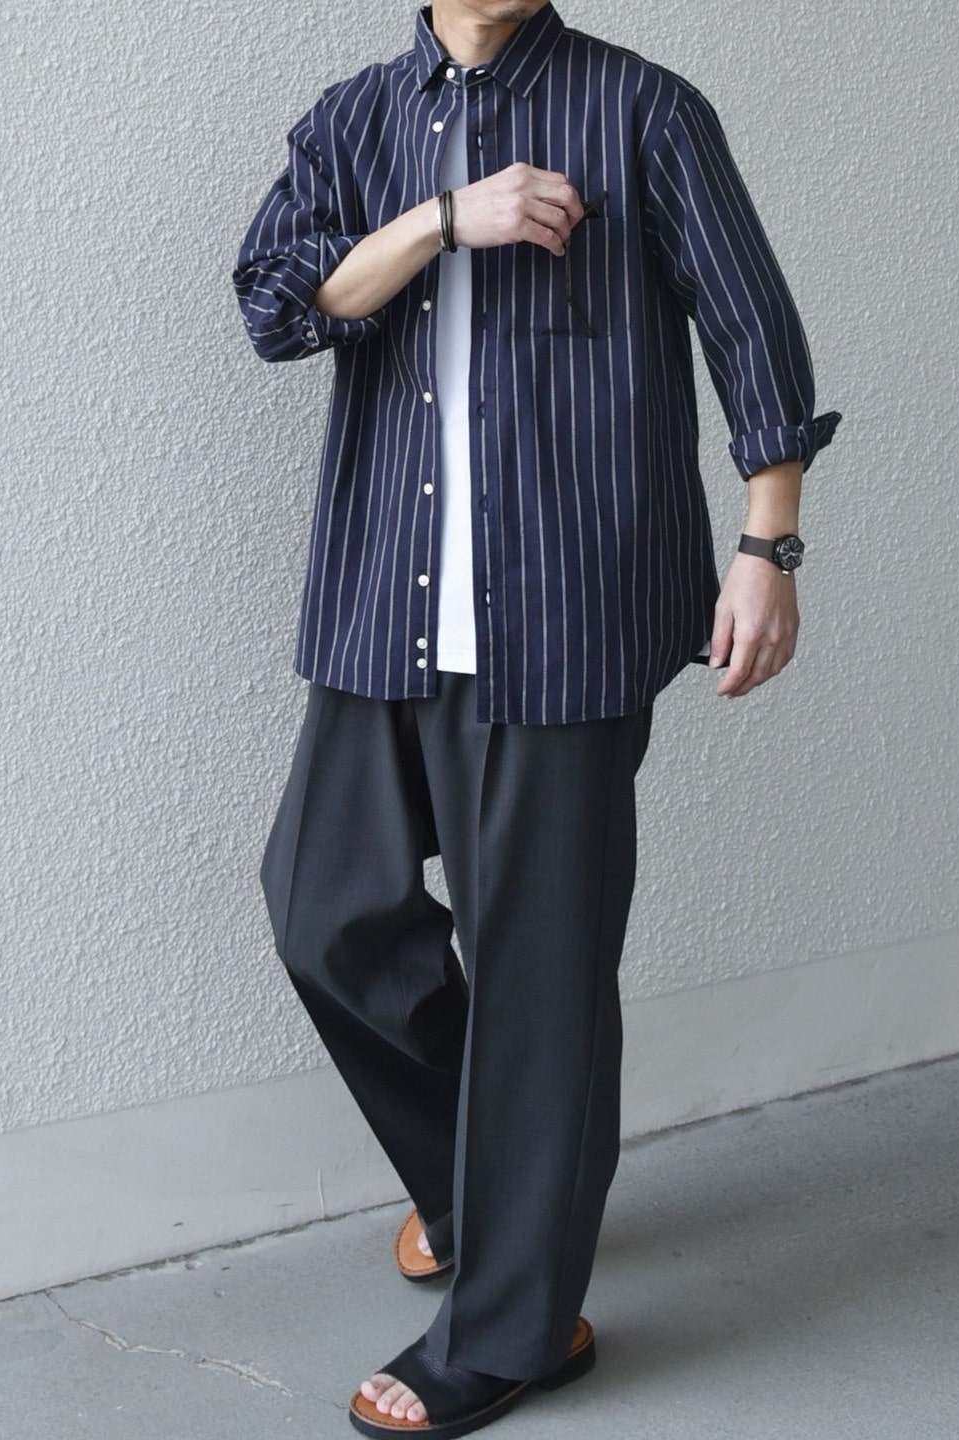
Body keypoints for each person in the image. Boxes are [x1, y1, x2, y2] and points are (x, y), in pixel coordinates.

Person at [233, 0, 841, 1433]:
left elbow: (752, 328)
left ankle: (514, 1331)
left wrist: (768, 546)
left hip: (565, 615)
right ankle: (491, 1185)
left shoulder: (645, 110)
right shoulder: (355, 121)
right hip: (385, 603)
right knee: (325, 912)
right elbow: (276, 306)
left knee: (540, 975)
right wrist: (446, 219)